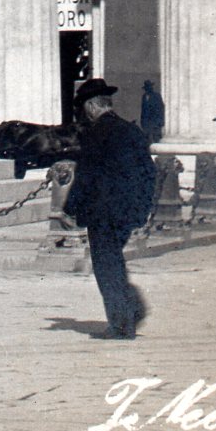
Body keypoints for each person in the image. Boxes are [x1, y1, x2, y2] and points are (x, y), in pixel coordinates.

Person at [65, 78, 156, 338]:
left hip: (102, 213)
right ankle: (130, 309)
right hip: (128, 212)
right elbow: (149, 172)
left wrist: (70, 208)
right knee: (114, 261)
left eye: (84, 107)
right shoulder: (131, 131)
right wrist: (142, 209)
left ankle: (122, 323)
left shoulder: (95, 134)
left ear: (92, 106)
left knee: (106, 266)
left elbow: (86, 175)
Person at [139, 80, 167, 145]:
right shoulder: (144, 96)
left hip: (155, 121)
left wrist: (160, 121)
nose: (148, 89)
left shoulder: (157, 96)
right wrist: (142, 121)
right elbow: (143, 110)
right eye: (147, 87)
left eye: (149, 87)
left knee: (156, 137)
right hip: (146, 121)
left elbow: (161, 108)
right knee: (147, 137)